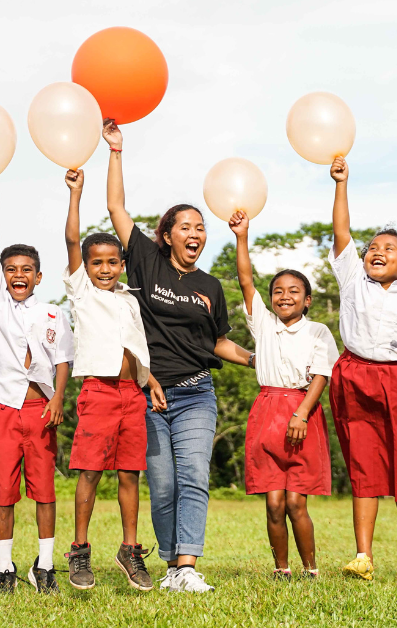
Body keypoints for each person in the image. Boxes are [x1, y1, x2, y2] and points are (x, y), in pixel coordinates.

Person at [103, 120, 253, 593]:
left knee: (192, 476)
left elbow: (216, 344)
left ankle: (187, 566)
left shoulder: (210, 286)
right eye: (185, 226)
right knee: (162, 485)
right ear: (166, 235)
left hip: (195, 393)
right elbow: (115, 207)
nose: (196, 233)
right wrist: (116, 151)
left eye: (201, 227)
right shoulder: (146, 261)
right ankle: (171, 567)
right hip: (148, 394)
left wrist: (260, 358)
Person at [327, 156, 397, 581]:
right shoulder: (353, 279)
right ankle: (363, 556)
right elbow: (342, 232)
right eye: (373, 247)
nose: (377, 252)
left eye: (388, 248)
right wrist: (341, 183)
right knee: (365, 464)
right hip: (357, 377)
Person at [0, 180, 73, 595]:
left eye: (25, 270)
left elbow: (65, 361)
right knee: (3, 494)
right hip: (1, 409)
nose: (17, 275)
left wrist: (57, 399)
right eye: (12, 270)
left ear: (38, 276)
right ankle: (4, 569)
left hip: (40, 411)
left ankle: (45, 566)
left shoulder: (54, 313)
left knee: (45, 491)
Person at [229, 210, 338, 581]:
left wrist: (303, 413)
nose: (284, 297)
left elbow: (322, 376)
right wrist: (242, 237)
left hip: (300, 410)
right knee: (274, 503)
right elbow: (246, 281)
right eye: (278, 291)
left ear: (307, 300)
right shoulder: (264, 325)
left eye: (294, 292)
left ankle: (311, 570)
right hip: (267, 410)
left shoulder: (319, 331)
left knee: (296, 501)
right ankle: (282, 569)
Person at [61, 168, 154, 592]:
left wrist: (148, 381)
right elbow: (70, 242)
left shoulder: (129, 300)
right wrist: (76, 196)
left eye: (112, 262)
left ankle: (130, 550)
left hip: (132, 394)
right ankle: (79, 549)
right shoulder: (83, 292)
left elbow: (136, 350)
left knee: (130, 473)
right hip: (98, 392)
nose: (104, 268)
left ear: (122, 264)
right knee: (91, 471)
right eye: (96, 262)